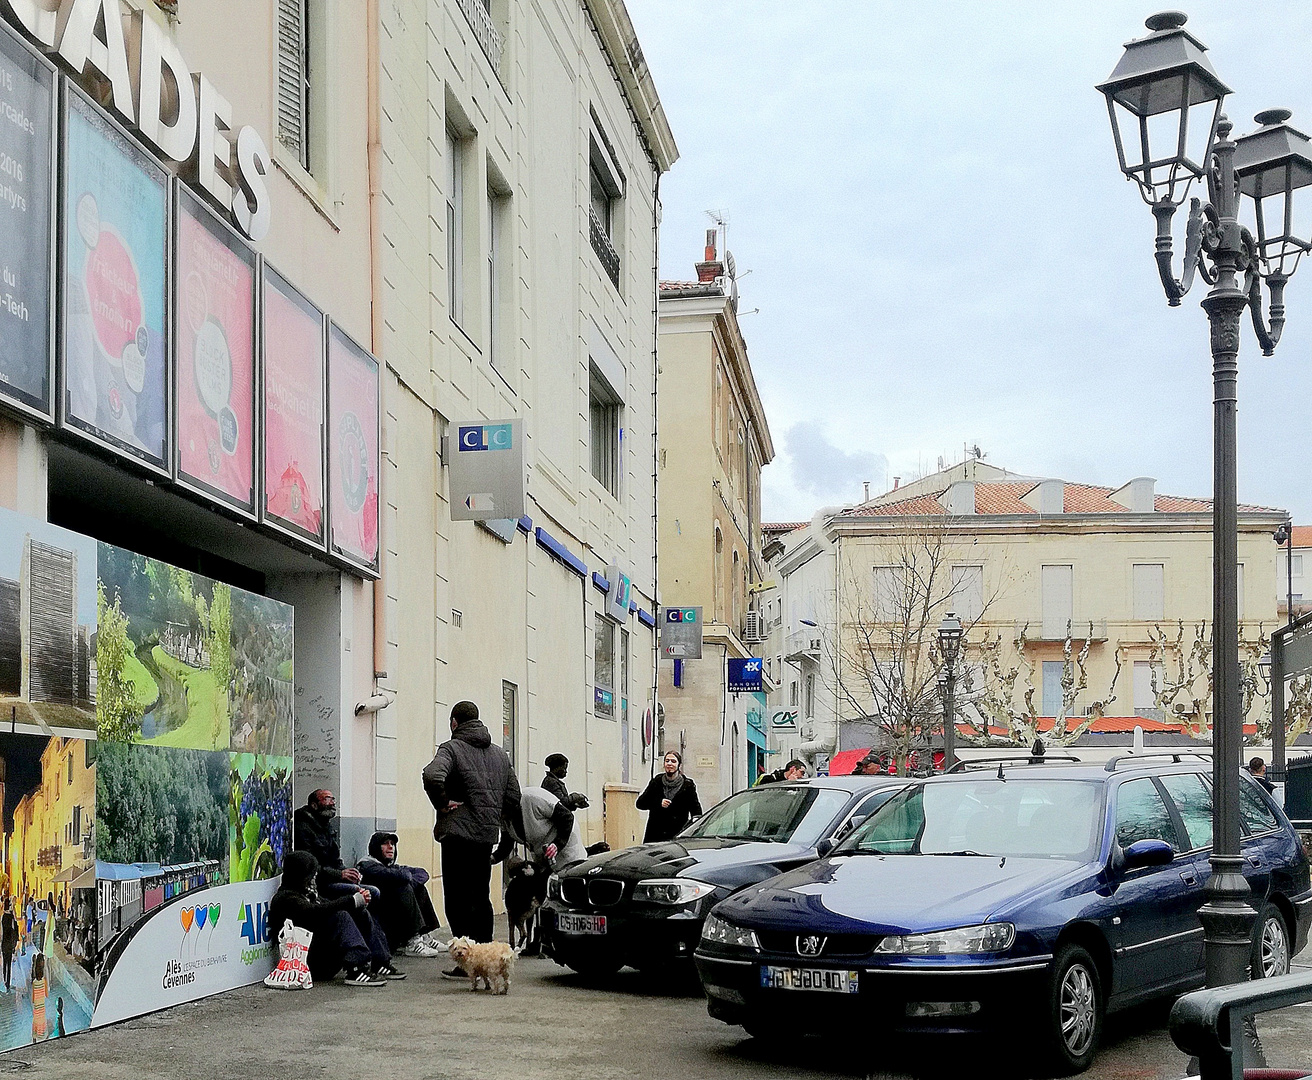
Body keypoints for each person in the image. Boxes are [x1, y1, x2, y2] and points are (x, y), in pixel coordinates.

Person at [422, 700, 522, 969]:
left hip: (456, 835)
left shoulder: (451, 749)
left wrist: (442, 803)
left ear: (454, 722)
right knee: (480, 897)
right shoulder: (500, 755)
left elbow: (432, 775)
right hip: (485, 837)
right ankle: (485, 959)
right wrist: (499, 829)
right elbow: (514, 797)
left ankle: (465, 962)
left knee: (457, 900)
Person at [268, 850, 401, 986]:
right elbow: (313, 912)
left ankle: (380, 962)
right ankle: (357, 969)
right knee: (340, 917)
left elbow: (325, 905)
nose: (314, 880)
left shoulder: (306, 893)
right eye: (311, 876)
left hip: (320, 957)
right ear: (301, 875)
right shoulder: (285, 899)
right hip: (306, 964)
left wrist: (356, 902)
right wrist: (351, 901)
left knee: (359, 912)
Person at [356, 831, 444, 956]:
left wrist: (410, 882)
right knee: (403, 887)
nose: (391, 847)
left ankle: (424, 935)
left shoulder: (390, 866)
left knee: (419, 888)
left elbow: (422, 873)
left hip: (396, 915)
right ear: (376, 847)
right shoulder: (367, 865)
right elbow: (400, 876)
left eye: (392, 844)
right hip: (382, 920)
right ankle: (412, 941)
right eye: (385, 844)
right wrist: (407, 881)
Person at [292, 790, 378, 900]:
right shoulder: (302, 828)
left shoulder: (326, 826)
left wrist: (349, 873)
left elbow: (335, 859)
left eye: (333, 799)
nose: (332, 803)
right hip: (316, 884)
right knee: (365, 893)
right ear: (314, 805)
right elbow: (309, 867)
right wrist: (340, 874)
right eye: (327, 799)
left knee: (370, 891)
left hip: (330, 879)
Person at [496, 786, 588, 869]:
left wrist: (557, 844)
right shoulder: (504, 817)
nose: (502, 818)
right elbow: (506, 843)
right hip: (543, 856)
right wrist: (493, 858)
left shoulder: (533, 798)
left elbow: (567, 818)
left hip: (566, 847)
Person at [636, 751, 703, 842]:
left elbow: (696, 811)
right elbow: (640, 804)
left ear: (679, 765)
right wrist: (658, 803)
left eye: (673, 761)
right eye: (667, 761)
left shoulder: (688, 785)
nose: (670, 764)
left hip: (677, 836)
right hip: (655, 835)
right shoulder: (657, 782)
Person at [30, 950, 46, 1040]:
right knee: (39, 1019)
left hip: (37, 1002)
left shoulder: (35, 981)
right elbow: (46, 993)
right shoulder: (42, 980)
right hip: (40, 1002)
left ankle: (35, 1035)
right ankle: (38, 1034)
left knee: (36, 1019)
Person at [2, 898, 17, 992]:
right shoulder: (11, 917)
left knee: (4, 963)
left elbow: (1, 933)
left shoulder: (3, 917)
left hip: (4, 943)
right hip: (10, 944)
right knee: (9, 965)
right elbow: (15, 929)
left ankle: (5, 982)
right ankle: (8, 983)